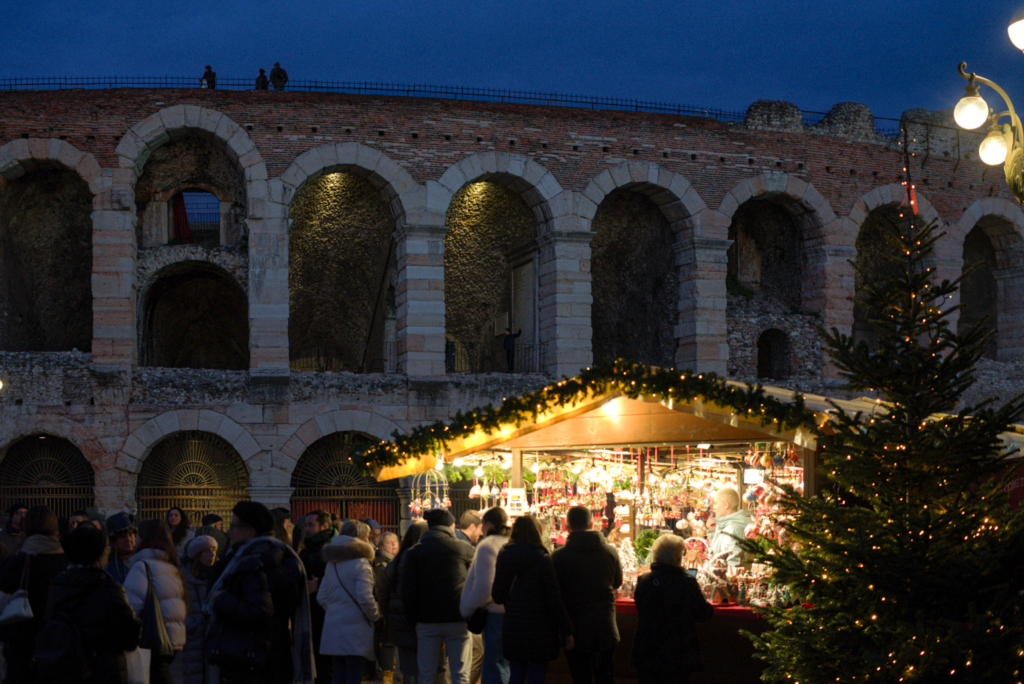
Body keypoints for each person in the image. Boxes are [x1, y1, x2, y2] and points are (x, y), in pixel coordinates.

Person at [205, 501, 315, 684]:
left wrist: (221, 599)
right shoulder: (284, 559)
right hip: (275, 657)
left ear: (251, 531)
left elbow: (260, 611)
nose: (230, 532)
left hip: (248, 659)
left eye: (234, 526)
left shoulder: (252, 563)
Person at [44, 525, 142, 684]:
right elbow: (130, 637)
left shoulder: (58, 585)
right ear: (100, 554)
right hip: (103, 671)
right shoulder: (109, 588)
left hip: (65, 668)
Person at [491, 516, 573, 684]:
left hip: (514, 626)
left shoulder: (505, 555)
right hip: (540, 629)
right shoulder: (542, 558)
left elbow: (497, 596)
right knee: (537, 675)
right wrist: (567, 630)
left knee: (516, 675)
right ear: (537, 533)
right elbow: (554, 598)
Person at [402, 508, 475, 684]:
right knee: (461, 674)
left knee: (426, 675)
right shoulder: (464, 549)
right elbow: (475, 583)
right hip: (458, 619)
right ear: (451, 526)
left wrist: (413, 621)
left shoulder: (414, 552)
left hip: (426, 621)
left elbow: (408, 591)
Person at [552, 506, 622, 684]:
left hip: (574, 629)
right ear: (592, 524)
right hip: (605, 627)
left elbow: (555, 593)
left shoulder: (558, 557)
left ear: (567, 527)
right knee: (605, 676)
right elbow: (617, 583)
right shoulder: (610, 552)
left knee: (580, 677)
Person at [631, 535, 713, 684]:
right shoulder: (687, 582)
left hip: (647, 650)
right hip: (677, 652)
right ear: (678, 557)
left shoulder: (643, 581)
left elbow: (640, 608)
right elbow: (702, 614)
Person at [0, 505, 68, 682]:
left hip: (22, 646)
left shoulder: (16, 562)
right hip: (62, 643)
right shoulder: (69, 562)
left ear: (26, 527)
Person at [124, 519, 188, 684]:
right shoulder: (173, 566)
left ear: (145, 538)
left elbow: (130, 608)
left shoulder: (142, 566)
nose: (134, 539)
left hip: (152, 640)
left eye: (137, 535)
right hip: (172, 640)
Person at [318, 521, 381, 684]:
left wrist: (335, 610)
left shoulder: (332, 563)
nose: (368, 540)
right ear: (360, 538)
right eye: (367, 536)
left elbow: (322, 597)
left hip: (333, 625)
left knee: (338, 675)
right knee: (354, 675)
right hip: (356, 628)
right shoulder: (361, 564)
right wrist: (375, 617)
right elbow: (365, 598)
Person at [461, 507, 512, 684]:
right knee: (509, 666)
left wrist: (466, 607)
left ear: (488, 524)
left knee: (495, 666)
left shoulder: (488, 546)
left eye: (482, 524)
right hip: (516, 614)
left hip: (495, 615)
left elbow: (484, 587)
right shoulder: (513, 543)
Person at [381, 522, 427, 684]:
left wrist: (389, 615)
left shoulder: (395, 562)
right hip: (424, 622)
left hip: (400, 622)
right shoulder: (426, 559)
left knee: (408, 669)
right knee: (427, 669)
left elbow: (383, 594)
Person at [301, 510, 338, 684]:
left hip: (330, 611)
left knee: (328, 660)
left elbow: (343, 576)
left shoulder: (335, 548)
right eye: (306, 525)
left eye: (310, 525)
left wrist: (321, 583)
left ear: (324, 526)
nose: (306, 529)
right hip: (313, 609)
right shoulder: (310, 548)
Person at [182, 535, 218, 684]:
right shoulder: (185, 576)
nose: (212, 555)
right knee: (195, 675)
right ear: (198, 555)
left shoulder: (221, 574)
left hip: (215, 633)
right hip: (194, 636)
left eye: (214, 550)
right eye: (207, 551)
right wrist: (190, 625)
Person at [373, 532, 399, 684]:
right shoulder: (380, 564)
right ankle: (387, 676)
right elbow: (380, 590)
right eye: (389, 542)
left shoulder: (399, 561)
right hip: (388, 609)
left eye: (395, 541)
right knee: (388, 643)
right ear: (382, 547)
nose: (394, 544)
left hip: (397, 608)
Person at [706, 488, 751, 567]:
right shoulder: (727, 526)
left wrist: (723, 576)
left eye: (716, 503)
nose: (713, 508)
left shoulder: (733, 528)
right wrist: (713, 531)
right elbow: (717, 551)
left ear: (726, 505)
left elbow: (733, 563)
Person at [105, 512, 137, 584]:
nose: (128, 540)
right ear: (113, 541)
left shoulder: (141, 559)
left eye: (131, 535)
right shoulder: (106, 564)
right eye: (123, 536)